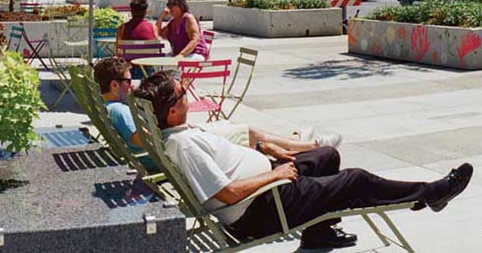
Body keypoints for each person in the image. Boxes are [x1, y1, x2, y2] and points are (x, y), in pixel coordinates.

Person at [134, 70, 474, 250]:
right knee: (354, 180)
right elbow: (226, 194)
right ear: (173, 109)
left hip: (270, 189)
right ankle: (429, 193)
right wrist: (274, 174)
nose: (188, 95)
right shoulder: (186, 146)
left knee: (326, 155)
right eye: (183, 93)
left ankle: (318, 234)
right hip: (262, 209)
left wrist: (267, 153)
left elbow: (228, 165)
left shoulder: (180, 135)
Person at [92, 58, 343, 170]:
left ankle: (298, 140)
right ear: (114, 85)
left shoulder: (110, 107)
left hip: (173, 143)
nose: (132, 83)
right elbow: (143, 140)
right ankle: (311, 144)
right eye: (127, 80)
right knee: (247, 131)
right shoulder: (119, 110)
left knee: (236, 127)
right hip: (173, 149)